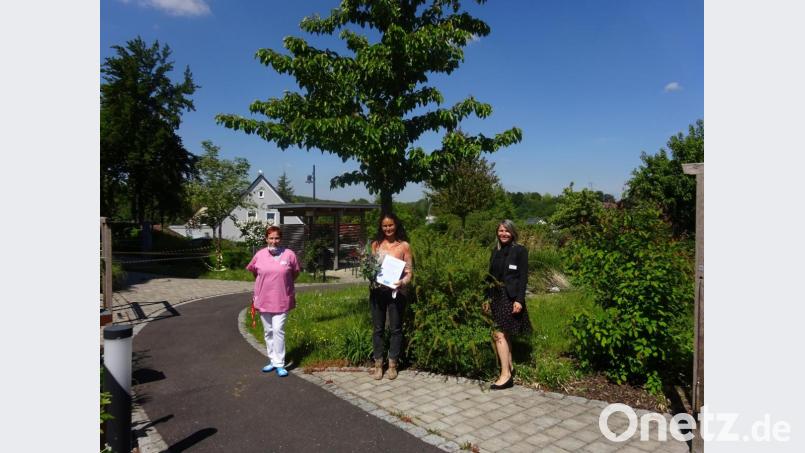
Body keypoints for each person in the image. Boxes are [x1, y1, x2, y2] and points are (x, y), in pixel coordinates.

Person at [246, 225, 301, 377]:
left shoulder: (289, 254)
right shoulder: (259, 255)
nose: (274, 241)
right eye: (271, 238)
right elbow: (254, 273)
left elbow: (295, 273)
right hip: (264, 299)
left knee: (278, 330)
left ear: (281, 239)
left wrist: (284, 284)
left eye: (277, 238)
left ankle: (280, 363)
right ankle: (272, 360)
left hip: (282, 299)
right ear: (266, 239)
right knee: (268, 331)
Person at [484, 219, 531, 390]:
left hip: (510, 297)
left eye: (507, 231)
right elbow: (489, 277)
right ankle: (509, 367)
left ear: (513, 233)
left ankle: (505, 375)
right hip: (496, 296)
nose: (503, 234)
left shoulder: (520, 251)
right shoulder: (495, 252)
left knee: (499, 334)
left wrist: (519, 299)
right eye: (501, 230)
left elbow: (523, 277)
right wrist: (486, 298)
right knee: (503, 334)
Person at [368, 212, 413, 380]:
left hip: (396, 292)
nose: (388, 228)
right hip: (377, 292)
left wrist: (402, 282)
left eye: (390, 225)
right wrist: (370, 275)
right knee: (378, 329)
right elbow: (370, 268)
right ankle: (378, 364)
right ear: (381, 227)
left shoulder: (404, 246)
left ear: (396, 225)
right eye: (385, 225)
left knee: (396, 329)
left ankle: (393, 364)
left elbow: (409, 272)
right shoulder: (375, 245)